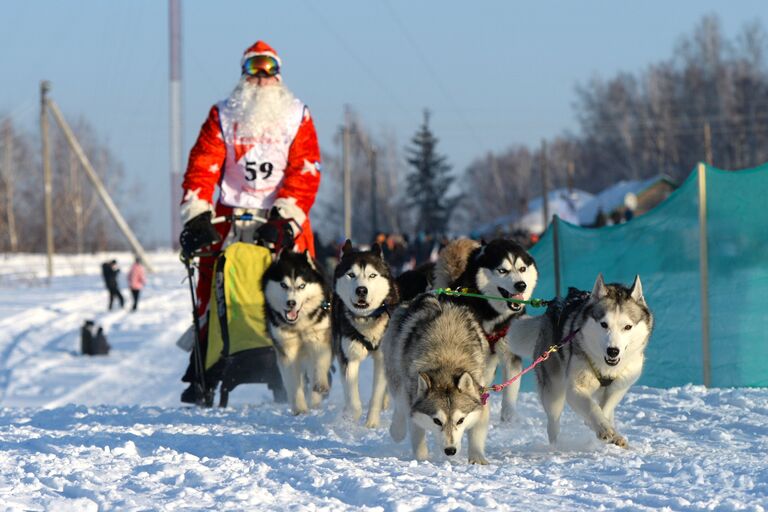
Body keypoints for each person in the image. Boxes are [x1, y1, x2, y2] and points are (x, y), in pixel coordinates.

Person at [177, 40, 322, 403]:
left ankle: (307, 370)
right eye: (254, 67)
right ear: (243, 72)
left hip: (280, 222)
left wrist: (285, 217)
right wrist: (197, 214)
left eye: (268, 67)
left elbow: (306, 169)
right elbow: (203, 166)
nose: (261, 77)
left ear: (279, 73)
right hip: (230, 218)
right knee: (213, 290)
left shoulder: (296, 114)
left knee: (299, 293)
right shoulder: (223, 115)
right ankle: (205, 368)